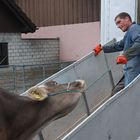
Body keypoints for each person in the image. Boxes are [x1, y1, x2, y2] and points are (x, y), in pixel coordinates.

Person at [93, 12, 140, 95]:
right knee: (115, 93)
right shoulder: (129, 33)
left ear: (127, 19)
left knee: (129, 95)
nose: (118, 26)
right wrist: (102, 48)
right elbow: (118, 45)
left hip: (135, 71)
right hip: (129, 71)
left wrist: (125, 56)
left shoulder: (134, 28)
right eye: (116, 24)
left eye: (119, 22)